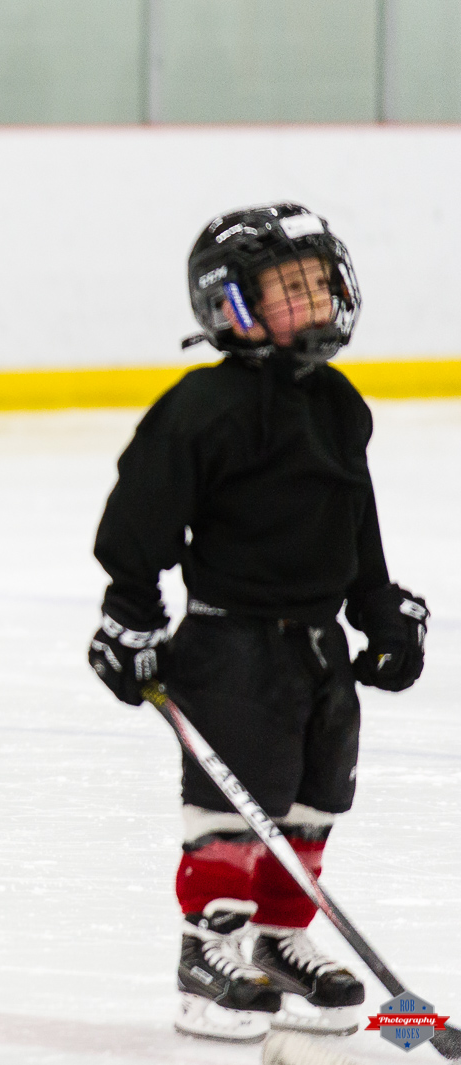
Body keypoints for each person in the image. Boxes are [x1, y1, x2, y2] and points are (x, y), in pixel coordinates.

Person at [87, 203, 428, 1043]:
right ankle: (208, 951)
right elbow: (138, 519)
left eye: (318, 284)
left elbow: (354, 517)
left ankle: (280, 938)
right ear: (231, 304)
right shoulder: (204, 407)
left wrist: (377, 605)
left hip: (319, 646)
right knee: (234, 802)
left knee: (315, 794)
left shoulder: (338, 404)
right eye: (289, 289)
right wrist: (130, 613)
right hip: (231, 646)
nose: (313, 302)